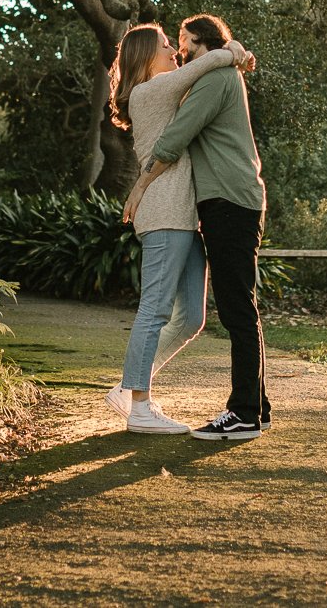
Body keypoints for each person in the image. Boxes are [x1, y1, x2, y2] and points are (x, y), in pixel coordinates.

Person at [103, 22, 253, 435]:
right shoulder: (149, 91)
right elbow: (210, 62)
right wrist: (234, 49)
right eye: (167, 45)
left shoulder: (164, 90)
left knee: (190, 319)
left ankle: (130, 385)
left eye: (176, 44)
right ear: (145, 58)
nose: (175, 51)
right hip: (165, 212)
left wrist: (231, 51)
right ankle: (140, 407)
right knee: (154, 310)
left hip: (184, 216)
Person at [149, 13, 271, 441]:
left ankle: (242, 415)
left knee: (237, 307)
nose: (179, 49)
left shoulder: (216, 78)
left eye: (182, 40)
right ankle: (258, 406)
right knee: (242, 304)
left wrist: (142, 181)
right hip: (234, 201)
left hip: (229, 203)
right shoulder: (222, 71)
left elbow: (177, 135)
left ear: (199, 42)